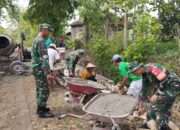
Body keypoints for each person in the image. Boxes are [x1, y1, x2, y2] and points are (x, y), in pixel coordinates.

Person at [129, 62, 180, 130]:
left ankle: (161, 124)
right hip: (165, 88)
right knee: (153, 113)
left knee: (159, 113)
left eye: (134, 71)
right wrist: (141, 103)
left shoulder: (152, 68)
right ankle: (155, 123)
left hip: (172, 86)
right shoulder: (144, 73)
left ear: (139, 68)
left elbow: (164, 79)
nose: (134, 73)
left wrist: (157, 94)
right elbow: (145, 88)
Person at [32, 23, 54, 118]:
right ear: (44, 30)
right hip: (40, 69)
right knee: (44, 90)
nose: (49, 33)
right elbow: (44, 59)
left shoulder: (35, 40)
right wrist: (48, 73)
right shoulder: (41, 41)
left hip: (36, 68)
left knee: (39, 89)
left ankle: (41, 107)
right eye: (48, 31)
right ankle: (41, 111)